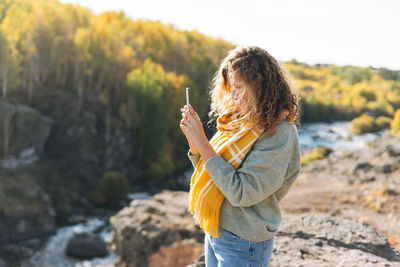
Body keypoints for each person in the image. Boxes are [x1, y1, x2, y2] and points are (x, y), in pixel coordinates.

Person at [179, 45, 301, 267]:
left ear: (260, 87)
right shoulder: (240, 120)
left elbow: (242, 192)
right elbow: (209, 169)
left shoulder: (279, 132)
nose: (233, 96)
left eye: (239, 87)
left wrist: (203, 143)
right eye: (230, 88)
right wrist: (193, 138)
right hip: (216, 228)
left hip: (245, 240)